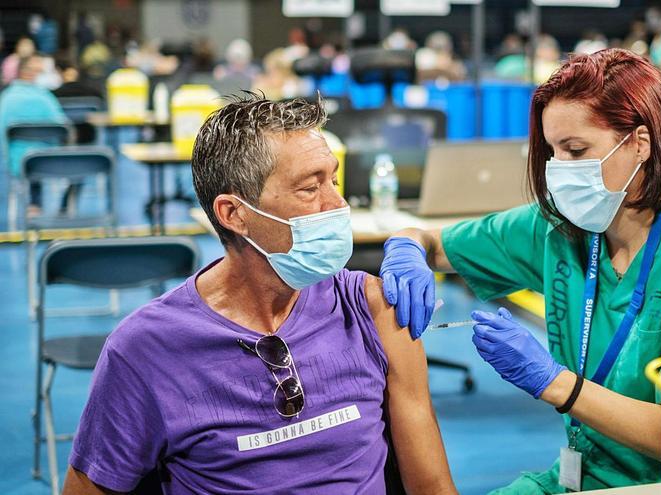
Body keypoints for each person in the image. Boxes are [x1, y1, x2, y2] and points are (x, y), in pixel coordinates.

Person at [379, 49, 661, 493]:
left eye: (576, 150)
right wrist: (406, 247)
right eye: (552, 151)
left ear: (640, 142)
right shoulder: (564, 229)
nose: (559, 169)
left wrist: (555, 383)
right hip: (580, 477)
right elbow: (435, 242)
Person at [62, 96, 457, 495]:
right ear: (235, 214)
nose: (337, 205)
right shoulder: (146, 350)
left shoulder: (372, 309)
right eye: (309, 188)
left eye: (333, 181)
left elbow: (433, 487)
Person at [0, 54, 67, 217]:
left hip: (18, 164)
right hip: (49, 161)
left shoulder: (6, 99)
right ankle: (55, 207)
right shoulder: (46, 97)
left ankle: (33, 205)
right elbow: (63, 126)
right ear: (32, 73)